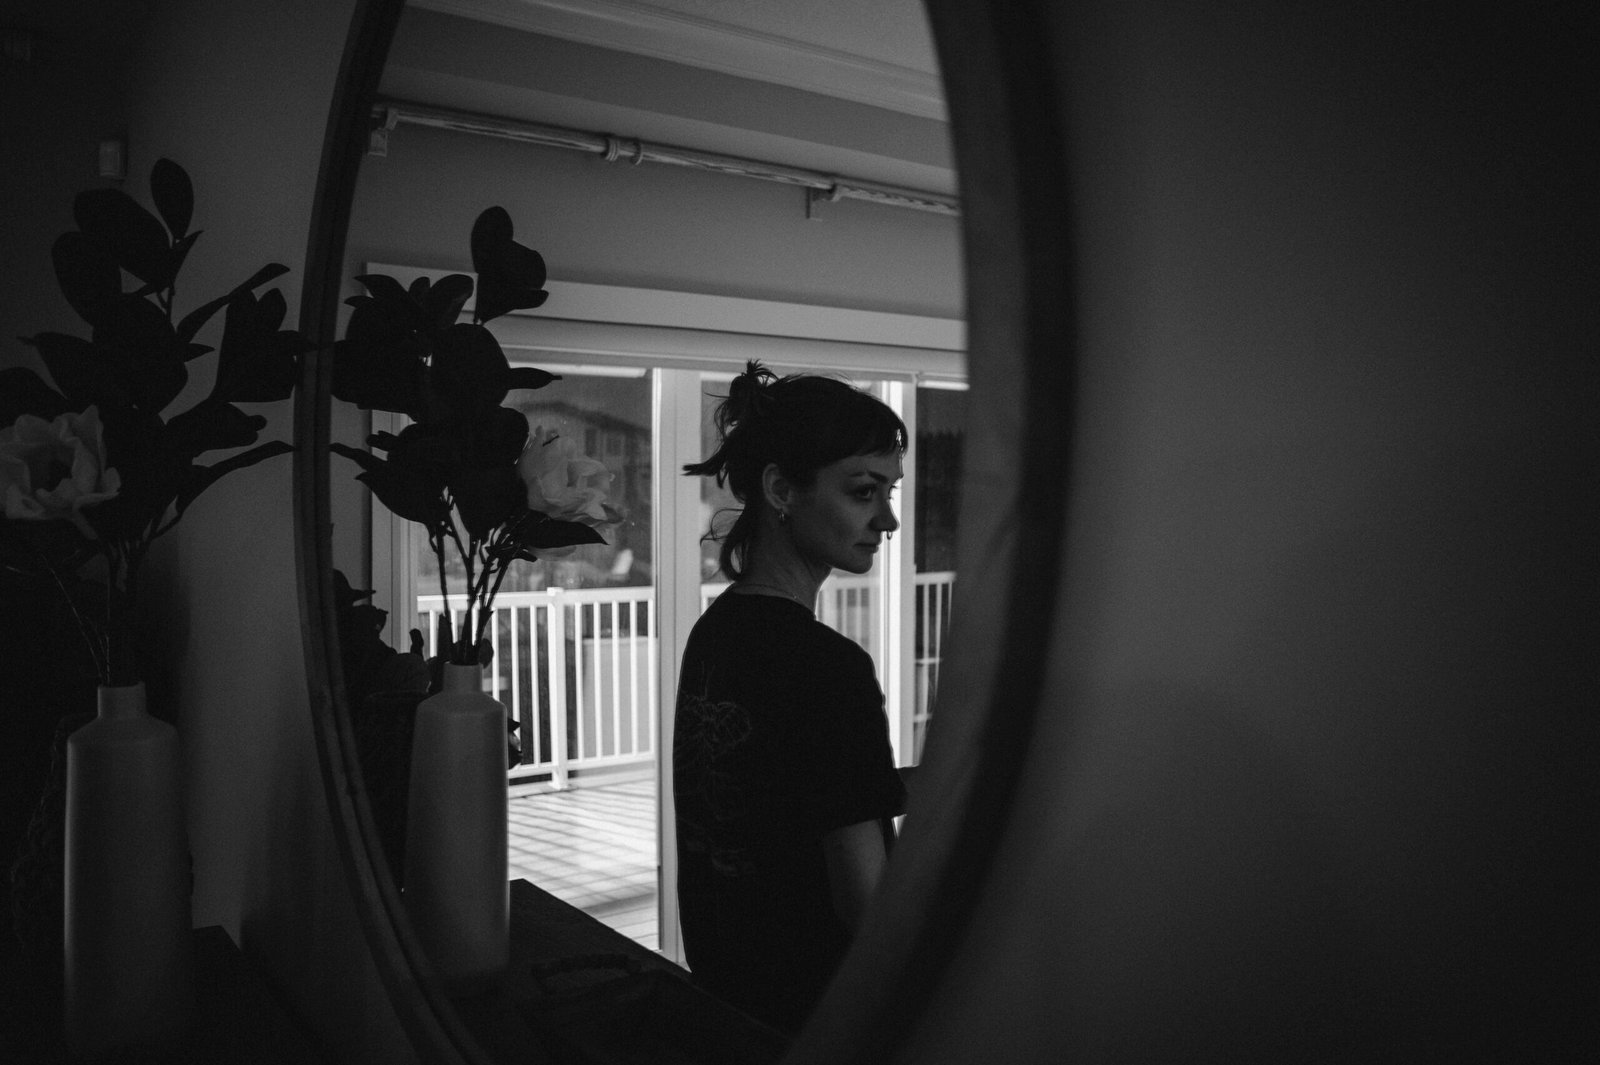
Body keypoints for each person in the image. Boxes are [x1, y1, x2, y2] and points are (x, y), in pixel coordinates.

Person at [674, 361, 909, 1034]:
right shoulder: (828, 668)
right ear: (781, 487)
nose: (887, 518)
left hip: (729, 1005)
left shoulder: (715, 633)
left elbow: (776, 795)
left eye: (888, 491)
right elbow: (870, 908)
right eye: (864, 491)